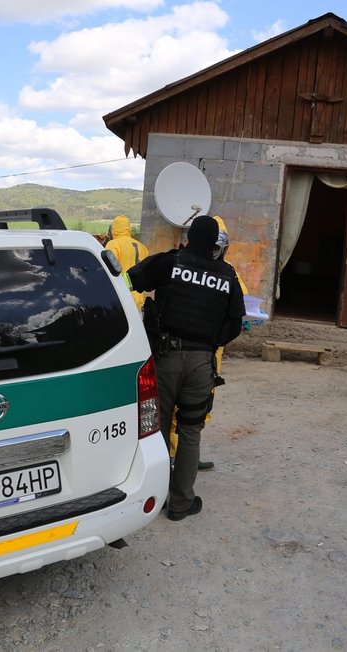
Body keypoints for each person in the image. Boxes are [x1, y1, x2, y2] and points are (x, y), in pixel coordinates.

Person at [126, 215, 245, 521]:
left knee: (159, 429)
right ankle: (181, 504)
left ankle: (156, 496)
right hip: (201, 364)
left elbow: (131, 280)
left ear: (190, 238)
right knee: (191, 432)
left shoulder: (170, 263)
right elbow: (236, 323)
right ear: (216, 244)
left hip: (165, 359)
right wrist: (209, 344)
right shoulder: (228, 276)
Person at [168, 215, 248, 471]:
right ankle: (175, 459)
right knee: (176, 413)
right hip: (200, 353)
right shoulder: (216, 273)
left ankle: (183, 458)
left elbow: (240, 303)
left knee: (196, 411)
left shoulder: (226, 273)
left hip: (204, 354)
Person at [104, 214, 149, 310]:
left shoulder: (114, 244)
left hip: (121, 300)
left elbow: (106, 269)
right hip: (139, 301)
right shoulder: (142, 247)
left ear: (114, 228)